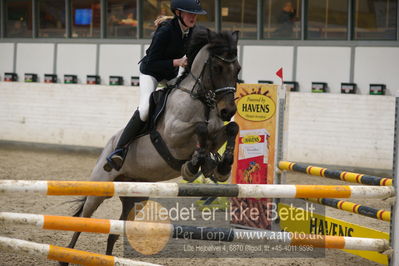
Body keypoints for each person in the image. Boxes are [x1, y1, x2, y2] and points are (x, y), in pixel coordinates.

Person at [104, 0, 207, 172]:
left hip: (170, 75)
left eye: (195, 14)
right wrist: (177, 62)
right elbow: (152, 62)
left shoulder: (192, 32)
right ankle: (119, 150)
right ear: (178, 13)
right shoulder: (166, 30)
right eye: (190, 13)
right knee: (144, 109)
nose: (193, 17)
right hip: (151, 72)